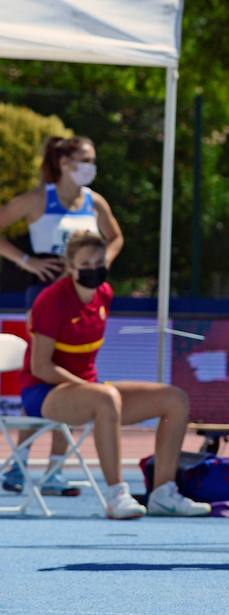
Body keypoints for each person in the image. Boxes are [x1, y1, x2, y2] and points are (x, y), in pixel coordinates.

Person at [15, 231, 209, 519]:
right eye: (85, 263)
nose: (94, 269)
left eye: (99, 262)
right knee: (105, 398)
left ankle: (163, 493)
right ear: (70, 266)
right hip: (43, 393)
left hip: (90, 391)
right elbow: (41, 367)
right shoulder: (52, 301)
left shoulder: (105, 293)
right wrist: (88, 388)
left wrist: (92, 389)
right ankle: (117, 494)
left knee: (174, 400)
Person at [0, 136, 124, 495]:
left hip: (82, 296)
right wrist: (26, 260)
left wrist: (98, 265)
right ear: (65, 161)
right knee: (47, 377)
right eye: (85, 159)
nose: (91, 166)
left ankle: (52, 469)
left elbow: (116, 238)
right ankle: (20, 464)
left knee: (75, 377)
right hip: (46, 296)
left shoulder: (93, 201)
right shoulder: (38, 198)